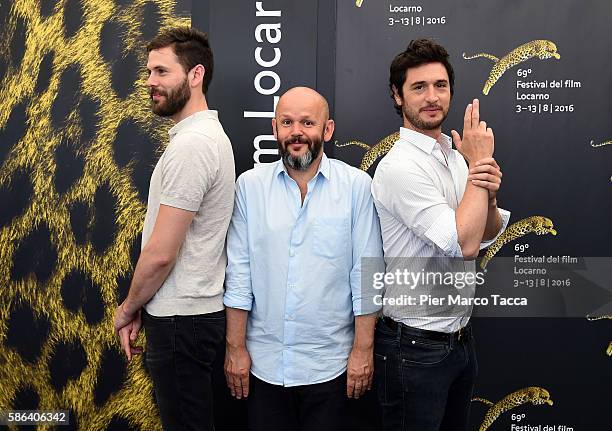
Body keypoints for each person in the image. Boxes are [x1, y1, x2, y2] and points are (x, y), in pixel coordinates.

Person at [223, 86, 383, 431]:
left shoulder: (356, 187)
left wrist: (362, 350)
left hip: (332, 366)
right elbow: (239, 274)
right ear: (275, 129)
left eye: (308, 122)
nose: (296, 132)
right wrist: (235, 349)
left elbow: (366, 275)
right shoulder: (249, 187)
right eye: (287, 122)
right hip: (263, 367)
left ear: (327, 130)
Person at [371, 39, 511, 431]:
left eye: (440, 85)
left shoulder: (454, 156)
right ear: (398, 96)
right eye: (419, 87)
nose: (432, 97)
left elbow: (487, 232)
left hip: (459, 341)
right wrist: (481, 164)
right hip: (413, 349)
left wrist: (487, 188)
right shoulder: (400, 167)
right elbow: (463, 244)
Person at [112, 26, 235, 431]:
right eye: (149, 72)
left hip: (183, 324)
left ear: (195, 75)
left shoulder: (193, 145)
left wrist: (128, 308)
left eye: (162, 72)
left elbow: (162, 252)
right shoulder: (198, 139)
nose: (151, 82)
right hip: (187, 320)